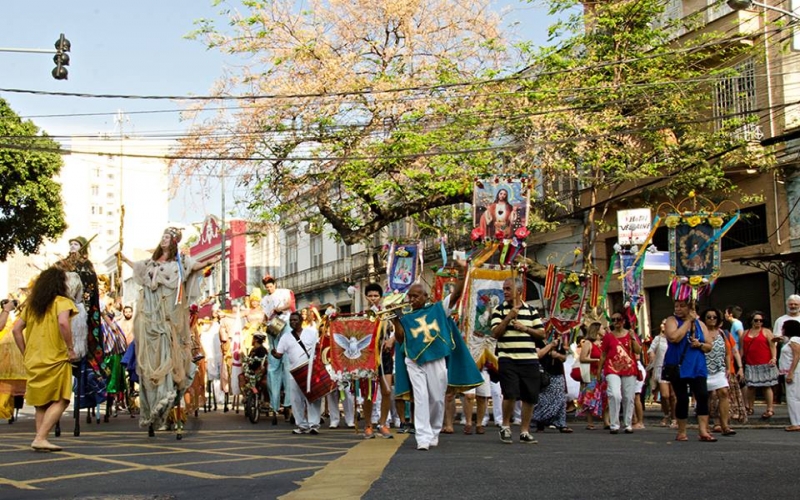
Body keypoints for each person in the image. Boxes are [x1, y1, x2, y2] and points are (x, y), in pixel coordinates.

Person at [120, 227, 219, 434]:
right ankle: (152, 410)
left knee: (168, 359)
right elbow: (137, 268)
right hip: (149, 318)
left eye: (167, 237)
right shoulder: (151, 263)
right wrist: (124, 259)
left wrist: (211, 261)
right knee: (150, 364)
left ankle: (164, 409)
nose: (163, 240)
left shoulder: (180, 263)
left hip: (169, 319)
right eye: (162, 236)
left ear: (173, 241)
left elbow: (196, 265)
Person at [391, 269, 477, 451]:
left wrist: (462, 274)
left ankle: (434, 431)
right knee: (420, 398)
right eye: (410, 297)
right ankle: (422, 436)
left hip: (435, 359)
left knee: (437, 399)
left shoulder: (438, 309)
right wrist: (396, 321)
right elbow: (400, 340)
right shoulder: (405, 315)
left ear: (426, 296)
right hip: (414, 360)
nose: (413, 300)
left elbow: (456, 295)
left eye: (416, 296)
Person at [11, 267, 79, 451]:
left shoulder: (32, 307)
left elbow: (16, 330)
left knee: (41, 402)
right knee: (62, 399)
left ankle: (40, 439)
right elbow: (64, 323)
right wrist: (71, 349)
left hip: (34, 359)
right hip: (56, 357)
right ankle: (41, 437)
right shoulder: (62, 302)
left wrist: (25, 352)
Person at [491, 276, 546, 444]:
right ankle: (506, 426)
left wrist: (525, 328)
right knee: (510, 393)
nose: (505, 292)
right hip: (508, 357)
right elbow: (495, 333)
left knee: (529, 396)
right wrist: (508, 317)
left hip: (529, 358)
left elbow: (542, 334)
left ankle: (524, 431)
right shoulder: (498, 310)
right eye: (504, 289)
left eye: (508, 289)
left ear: (519, 291)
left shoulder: (531, 310)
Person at [664, 299, 715, 442]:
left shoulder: (701, 324)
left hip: (697, 365)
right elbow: (674, 337)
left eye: (682, 306)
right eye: (676, 306)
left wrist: (700, 345)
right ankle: (681, 431)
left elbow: (709, 345)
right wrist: (687, 322)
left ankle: (703, 430)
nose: (678, 309)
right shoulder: (672, 320)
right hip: (678, 364)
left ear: (690, 308)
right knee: (682, 398)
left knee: (702, 395)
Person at [272, 312, 322, 435]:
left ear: (301, 321)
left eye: (295, 320)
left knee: (313, 398)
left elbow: (318, 347)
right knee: (296, 399)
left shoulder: (311, 333)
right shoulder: (285, 337)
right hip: (295, 372)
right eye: (291, 320)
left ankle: (314, 425)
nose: (293, 322)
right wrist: (273, 353)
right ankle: (302, 425)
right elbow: (279, 355)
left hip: (310, 370)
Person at [361, 283, 395, 439]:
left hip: (385, 356)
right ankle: (368, 425)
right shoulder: (362, 315)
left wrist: (391, 341)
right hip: (368, 357)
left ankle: (382, 423)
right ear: (366, 297)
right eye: (370, 295)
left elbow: (397, 329)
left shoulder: (387, 313)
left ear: (380, 297)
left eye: (376, 296)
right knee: (368, 393)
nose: (373, 298)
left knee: (387, 391)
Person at [598, 312, 641, 434]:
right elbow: (603, 354)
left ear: (624, 321)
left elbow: (638, 351)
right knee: (614, 395)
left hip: (629, 368)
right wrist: (599, 371)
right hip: (612, 368)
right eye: (613, 319)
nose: (616, 322)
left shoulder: (630, 334)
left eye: (618, 319)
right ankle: (614, 424)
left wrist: (633, 338)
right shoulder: (608, 336)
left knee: (628, 396)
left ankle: (628, 423)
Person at [261, 275, 295, 423]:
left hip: (284, 325)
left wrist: (279, 309)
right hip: (273, 328)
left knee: (288, 366)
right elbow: (265, 315)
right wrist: (264, 320)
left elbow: (291, 305)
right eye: (267, 287)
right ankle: (275, 405)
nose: (269, 288)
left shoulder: (284, 292)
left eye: (271, 285)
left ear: (275, 284)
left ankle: (288, 403)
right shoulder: (264, 300)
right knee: (273, 368)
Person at [702, 308, 736, 436]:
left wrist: (728, 368)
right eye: (708, 317)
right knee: (706, 396)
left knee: (723, 393)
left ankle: (725, 425)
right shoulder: (700, 333)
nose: (711, 319)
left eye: (714, 317)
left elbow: (727, 353)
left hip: (719, 369)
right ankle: (705, 425)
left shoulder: (722, 333)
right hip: (704, 369)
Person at [741, 311, 778, 419]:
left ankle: (770, 409)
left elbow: (772, 346)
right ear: (751, 321)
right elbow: (742, 348)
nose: (758, 322)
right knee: (751, 387)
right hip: (750, 363)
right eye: (756, 320)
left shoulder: (766, 332)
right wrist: (739, 361)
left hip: (765, 363)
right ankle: (750, 407)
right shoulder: (745, 333)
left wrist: (774, 358)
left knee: (766, 386)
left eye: (761, 320)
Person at [533, 336, 572, 433]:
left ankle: (561, 423)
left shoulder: (558, 342)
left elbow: (564, 358)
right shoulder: (538, 341)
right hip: (544, 374)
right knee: (543, 400)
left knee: (560, 399)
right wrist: (550, 346)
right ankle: (540, 422)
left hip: (557, 374)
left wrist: (557, 355)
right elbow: (538, 355)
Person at [577, 322, 607, 430]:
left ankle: (606, 421)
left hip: (603, 373)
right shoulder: (588, 343)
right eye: (603, 328)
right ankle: (590, 422)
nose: (605, 330)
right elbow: (582, 358)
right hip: (591, 374)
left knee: (605, 397)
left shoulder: (604, 343)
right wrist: (597, 360)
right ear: (597, 330)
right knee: (589, 397)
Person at [647, 320, 675, 428]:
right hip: (661, 368)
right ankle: (666, 414)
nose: (663, 325)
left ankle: (674, 417)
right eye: (662, 323)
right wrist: (652, 354)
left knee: (673, 396)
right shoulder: (657, 339)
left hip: (673, 367)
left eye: (666, 323)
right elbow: (651, 350)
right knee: (665, 395)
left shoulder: (674, 338)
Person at [778, 320, 800, 431]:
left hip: (794, 372)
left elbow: (797, 355)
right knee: (795, 396)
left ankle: (796, 422)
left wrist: (790, 372)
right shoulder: (791, 340)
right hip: (792, 371)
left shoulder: (794, 340)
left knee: (793, 397)